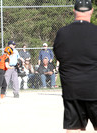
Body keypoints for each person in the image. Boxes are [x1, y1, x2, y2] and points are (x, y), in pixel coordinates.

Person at [53, 0, 97, 132]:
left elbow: (59, 55)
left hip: (72, 89)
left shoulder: (63, 33)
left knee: (74, 128)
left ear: (74, 11)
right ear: (91, 11)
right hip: (94, 86)